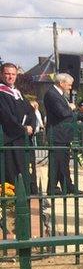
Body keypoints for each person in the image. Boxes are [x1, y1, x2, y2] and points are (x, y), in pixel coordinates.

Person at [0, 62, 37, 192]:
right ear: (1, 75)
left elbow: (31, 112)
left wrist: (31, 126)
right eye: (7, 74)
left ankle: (26, 201)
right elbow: (6, 117)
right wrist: (23, 129)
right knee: (12, 176)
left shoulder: (18, 92)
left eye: (13, 74)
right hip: (10, 140)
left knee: (26, 173)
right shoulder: (1, 93)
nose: (10, 77)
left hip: (23, 139)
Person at [44, 72, 82, 195]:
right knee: (56, 161)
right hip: (56, 133)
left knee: (63, 161)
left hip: (63, 133)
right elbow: (62, 112)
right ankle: (53, 187)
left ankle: (66, 185)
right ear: (61, 83)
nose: (70, 88)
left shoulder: (59, 94)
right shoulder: (52, 94)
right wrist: (71, 107)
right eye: (69, 85)